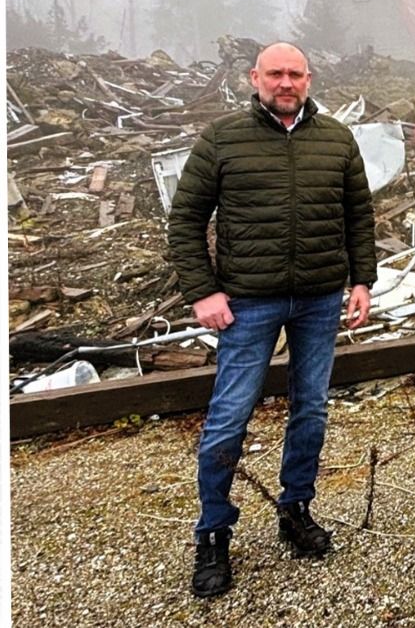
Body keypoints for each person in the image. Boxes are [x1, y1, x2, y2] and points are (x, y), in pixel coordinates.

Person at [167, 41, 377, 598]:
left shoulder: (337, 139)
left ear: (309, 79)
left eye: (296, 74)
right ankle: (213, 533)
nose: (286, 83)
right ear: (254, 78)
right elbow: (185, 219)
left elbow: (358, 214)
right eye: (276, 74)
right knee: (229, 416)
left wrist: (362, 281)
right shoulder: (222, 139)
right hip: (248, 303)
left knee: (310, 409)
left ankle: (295, 508)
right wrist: (202, 291)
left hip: (318, 299)